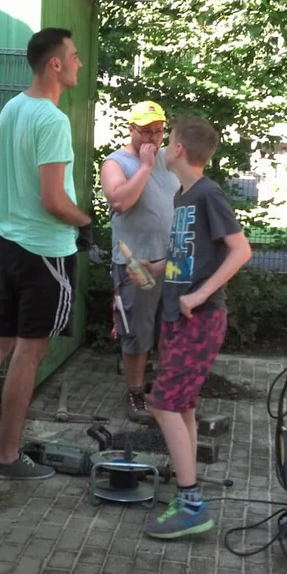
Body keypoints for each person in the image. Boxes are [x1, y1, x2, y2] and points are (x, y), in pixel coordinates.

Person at [0, 27, 91, 480]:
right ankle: (6, 457)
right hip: (46, 251)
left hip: (10, 247)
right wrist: (85, 222)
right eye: (74, 56)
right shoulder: (52, 120)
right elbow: (53, 199)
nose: (79, 63)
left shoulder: (11, 108)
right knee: (29, 353)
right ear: (55, 64)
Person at [129, 116, 252, 539]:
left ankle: (192, 504)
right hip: (176, 317)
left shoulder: (207, 194)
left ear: (179, 149)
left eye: (168, 142)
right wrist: (155, 268)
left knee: (162, 403)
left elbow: (241, 250)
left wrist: (199, 296)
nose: (163, 147)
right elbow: (188, 256)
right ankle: (188, 494)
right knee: (181, 406)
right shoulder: (182, 196)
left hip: (200, 318)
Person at [100, 101, 180, 422]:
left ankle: (164, 392)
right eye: (146, 131)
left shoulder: (168, 158)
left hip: (171, 261)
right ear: (131, 129)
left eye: (158, 131)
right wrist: (145, 167)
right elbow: (120, 201)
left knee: (171, 328)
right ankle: (134, 394)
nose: (153, 137)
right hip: (135, 265)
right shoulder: (116, 163)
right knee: (136, 332)